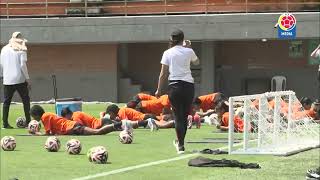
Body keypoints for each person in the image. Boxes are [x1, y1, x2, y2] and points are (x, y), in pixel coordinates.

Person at [155, 29, 199, 154]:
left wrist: (159, 89)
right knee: (184, 116)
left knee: (178, 116)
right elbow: (197, 62)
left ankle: (180, 145)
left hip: (174, 86)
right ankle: (181, 143)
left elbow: (163, 74)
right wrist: (189, 47)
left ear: (171, 39)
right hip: (188, 86)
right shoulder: (189, 51)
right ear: (183, 39)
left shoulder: (167, 52)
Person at [0, 32, 31, 128]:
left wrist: (2, 76)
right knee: (25, 100)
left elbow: (1, 65)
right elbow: (23, 65)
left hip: (7, 80)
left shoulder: (4, 49)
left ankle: (5, 123)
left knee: (6, 102)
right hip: (20, 79)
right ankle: (28, 122)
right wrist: (27, 78)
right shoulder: (21, 49)